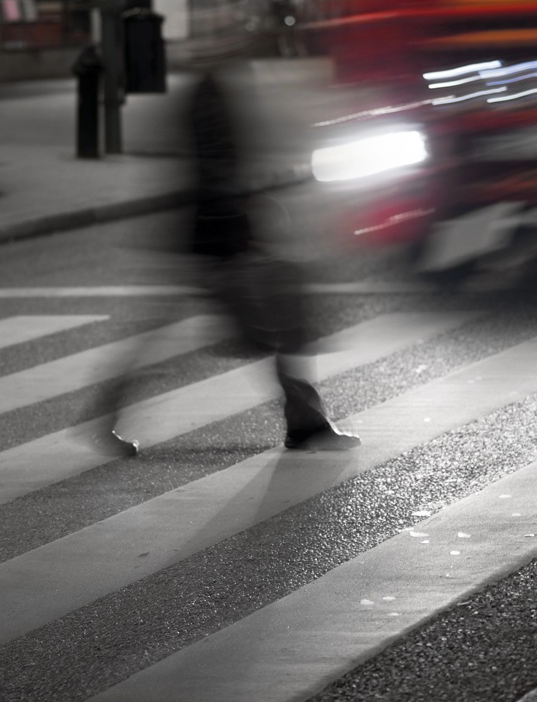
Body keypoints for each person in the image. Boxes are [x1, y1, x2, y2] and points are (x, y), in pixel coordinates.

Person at [91, 66, 359, 456]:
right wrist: (242, 225)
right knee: (277, 321)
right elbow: (214, 168)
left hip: (214, 236)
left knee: (179, 338)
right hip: (219, 239)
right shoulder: (209, 94)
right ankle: (304, 420)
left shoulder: (213, 89)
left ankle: (304, 418)